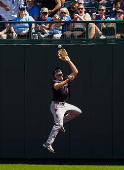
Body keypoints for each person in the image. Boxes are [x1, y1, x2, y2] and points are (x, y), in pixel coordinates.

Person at [43, 53, 82, 154]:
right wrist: (67, 79)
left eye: (60, 70)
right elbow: (57, 87)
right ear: (55, 75)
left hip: (64, 105)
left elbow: (76, 72)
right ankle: (48, 144)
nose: (59, 71)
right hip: (56, 106)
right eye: (57, 71)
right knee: (57, 124)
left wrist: (68, 60)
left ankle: (62, 123)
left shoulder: (66, 81)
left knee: (77, 112)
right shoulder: (54, 81)